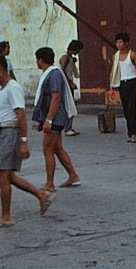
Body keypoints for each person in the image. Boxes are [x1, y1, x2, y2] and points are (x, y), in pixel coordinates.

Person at [0, 56, 52, 226]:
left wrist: (23, 141)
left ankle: (6, 216)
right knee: (9, 176)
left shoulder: (13, 88)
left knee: (3, 176)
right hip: (2, 132)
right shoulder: (2, 89)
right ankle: (41, 195)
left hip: (10, 132)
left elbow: (21, 115)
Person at [32, 47, 80, 192]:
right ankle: (73, 175)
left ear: (40, 60)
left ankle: (50, 183)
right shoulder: (50, 73)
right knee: (57, 148)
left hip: (55, 117)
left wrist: (49, 120)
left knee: (47, 149)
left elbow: (56, 97)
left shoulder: (53, 74)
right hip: (53, 117)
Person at [109, 33, 136, 143]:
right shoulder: (115, 56)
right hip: (122, 84)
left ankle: (134, 134)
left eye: (121, 42)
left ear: (126, 43)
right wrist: (111, 85)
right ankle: (133, 130)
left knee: (131, 107)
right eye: (117, 42)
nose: (118, 44)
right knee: (125, 109)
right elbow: (113, 71)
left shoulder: (132, 54)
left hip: (132, 82)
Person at [59, 40, 83, 137]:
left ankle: (69, 127)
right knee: (69, 106)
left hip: (68, 84)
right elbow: (62, 71)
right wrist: (70, 83)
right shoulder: (65, 58)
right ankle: (67, 128)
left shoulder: (69, 58)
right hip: (66, 84)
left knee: (70, 105)